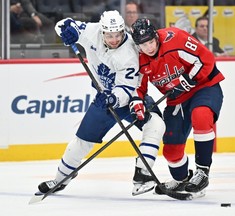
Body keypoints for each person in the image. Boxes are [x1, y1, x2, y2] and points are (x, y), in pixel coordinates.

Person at [35, 10, 165, 197]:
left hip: (130, 98)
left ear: (123, 31)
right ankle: (60, 179)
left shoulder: (129, 52)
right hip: (103, 100)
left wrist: (114, 98)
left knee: (157, 125)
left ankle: (144, 176)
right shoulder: (92, 31)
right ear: (102, 32)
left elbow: (127, 88)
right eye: (109, 35)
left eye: (118, 35)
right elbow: (63, 24)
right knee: (81, 142)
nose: (114, 39)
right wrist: (65, 31)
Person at [129, 18, 224, 197]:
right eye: (143, 45)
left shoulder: (175, 39)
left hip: (204, 86)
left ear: (156, 36)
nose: (149, 47)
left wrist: (189, 79)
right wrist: (137, 101)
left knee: (201, 116)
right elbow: (138, 87)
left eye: (151, 41)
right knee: (171, 149)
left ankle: (202, 172)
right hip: (177, 99)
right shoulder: (138, 58)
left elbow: (206, 59)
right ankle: (181, 179)